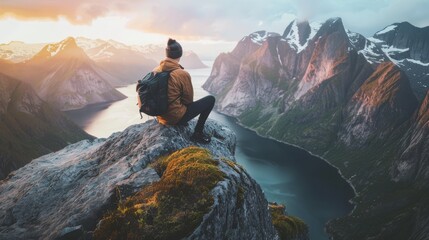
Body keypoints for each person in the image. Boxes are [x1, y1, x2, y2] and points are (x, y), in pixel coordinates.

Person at [153, 38, 215, 144]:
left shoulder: (156, 70)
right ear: (180, 55)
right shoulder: (181, 74)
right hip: (174, 119)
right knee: (210, 99)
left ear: (166, 54)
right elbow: (188, 100)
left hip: (160, 116)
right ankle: (198, 133)